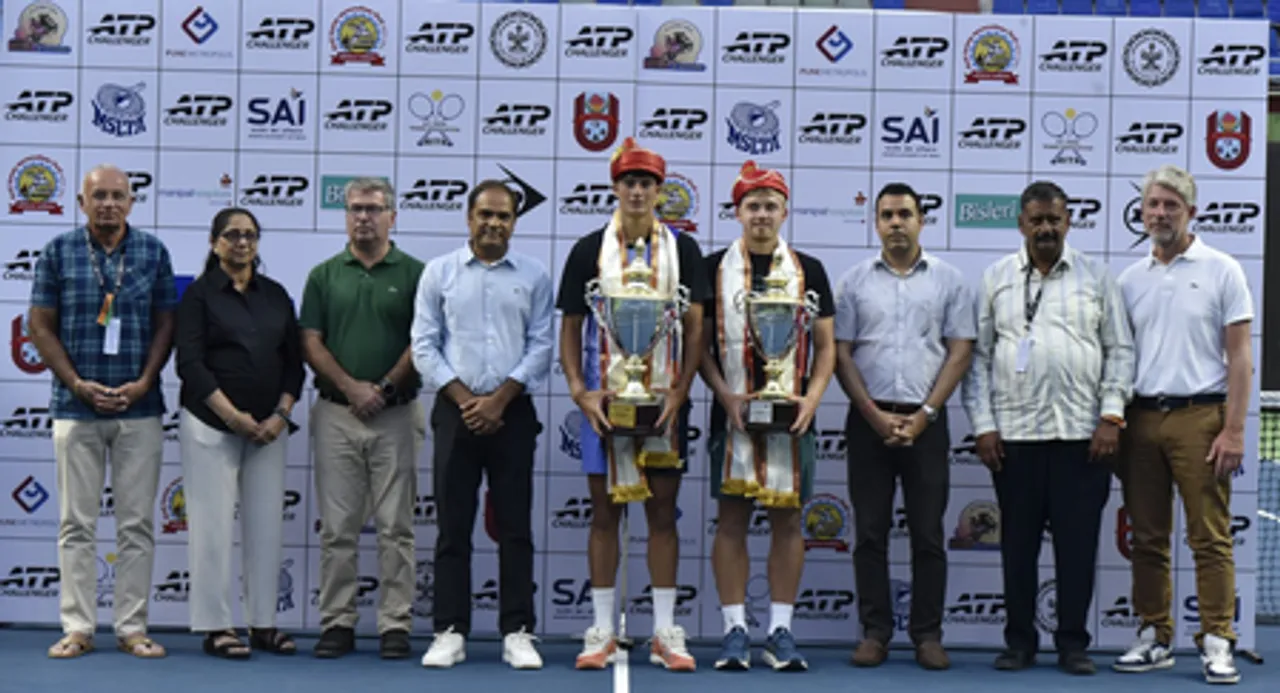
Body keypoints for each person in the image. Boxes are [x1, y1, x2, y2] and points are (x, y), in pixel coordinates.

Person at [962, 181, 1134, 675]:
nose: (1045, 228)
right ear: (1021, 224)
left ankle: (1073, 643)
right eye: (1036, 220)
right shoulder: (996, 278)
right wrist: (983, 426)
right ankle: (1019, 642)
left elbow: (1120, 351)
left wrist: (1111, 416)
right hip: (1014, 438)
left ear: (1067, 223)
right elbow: (978, 360)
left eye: (1054, 220)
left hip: (1083, 437)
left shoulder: (1097, 278)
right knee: (1016, 549)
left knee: (1077, 549)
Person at [556, 137, 709, 671]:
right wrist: (579, 390)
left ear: (660, 191)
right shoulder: (586, 250)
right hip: (604, 404)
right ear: (615, 188)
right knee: (605, 513)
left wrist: (681, 388)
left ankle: (665, 628)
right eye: (629, 183)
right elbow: (570, 328)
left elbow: (696, 329)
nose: (638, 191)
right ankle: (601, 628)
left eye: (647, 184)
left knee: (662, 512)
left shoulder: (683, 251)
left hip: (664, 402)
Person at [28, 164, 177, 659]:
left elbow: (165, 325)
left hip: (140, 408)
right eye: (100, 196)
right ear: (81, 202)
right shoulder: (57, 252)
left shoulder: (153, 252)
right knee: (76, 523)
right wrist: (75, 383)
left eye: (118, 196)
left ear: (132, 202)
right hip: (74, 406)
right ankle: (78, 626)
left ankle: (133, 627)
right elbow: (40, 326)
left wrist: (144, 382)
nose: (109, 204)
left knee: (136, 523)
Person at [1112, 165, 1253, 685]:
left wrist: (1233, 430)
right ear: (1143, 212)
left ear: (1191, 212)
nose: (1161, 214)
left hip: (1202, 417)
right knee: (1147, 538)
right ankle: (1155, 636)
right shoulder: (1128, 280)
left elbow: (1240, 358)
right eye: (1153, 204)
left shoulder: (1223, 269)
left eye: (1172, 205)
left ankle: (1217, 641)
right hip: (1141, 420)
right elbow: (1118, 358)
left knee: (1209, 537)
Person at [412, 181, 554, 669]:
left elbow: (541, 345)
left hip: (512, 412)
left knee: (514, 526)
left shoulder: (534, 275)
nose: (494, 224)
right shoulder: (439, 273)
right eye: (485, 215)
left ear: (515, 221)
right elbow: (424, 345)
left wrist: (499, 400)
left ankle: (517, 631)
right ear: (468, 218)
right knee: (453, 527)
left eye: (504, 217)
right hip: (456, 411)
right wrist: (468, 400)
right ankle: (450, 630)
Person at [833, 182, 975, 670]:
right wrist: (873, 415)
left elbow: (960, 351)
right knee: (870, 532)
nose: (896, 223)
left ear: (921, 221)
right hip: (867, 419)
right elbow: (842, 353)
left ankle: (927, 634)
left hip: (926, 420)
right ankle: (875, 632)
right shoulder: (853, 282)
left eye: (905, 214)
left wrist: (925, 415)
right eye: (888, 215)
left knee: (928, 533)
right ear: (876, 223)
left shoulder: (949, 281)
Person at [700, 161, 836, 672]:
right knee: (732, 519)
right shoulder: (713, 268)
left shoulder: (810, 270)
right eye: (752, 205)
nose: (761, 214)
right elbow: (701, 348)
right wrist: (726, 396)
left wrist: (812, 398)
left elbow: (825, 348)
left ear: (784, 212)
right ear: (738, 212)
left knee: (787, 519)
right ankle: (735, 629)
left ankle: (781, 629)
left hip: (791, 415)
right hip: (731, 415)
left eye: (770, 205)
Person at [299, 178, 427, 660]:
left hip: (396, 413)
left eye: (374, 209)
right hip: (336, 413)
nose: (363, 217)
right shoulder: (324, 275)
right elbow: (310, 341)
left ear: (393, 216)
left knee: (397, 526)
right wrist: (353, 388)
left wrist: (386, 387)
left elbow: (424, 340)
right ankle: (338, 622)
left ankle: (395, 623)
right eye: (355, 209)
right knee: (337, 528)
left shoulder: (416, 274)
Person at [175, 207, 305, 659]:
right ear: (215, 243)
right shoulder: (198, 296)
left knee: (267, 527)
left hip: (269, 429)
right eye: (232, 235)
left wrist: (280, 415)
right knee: (210, 529)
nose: (242, 243)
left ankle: (264, 623)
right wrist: (233, 417)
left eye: (250, 235)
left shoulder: (275, 295)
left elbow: (294, 362)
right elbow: (189, 364)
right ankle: (216, 626)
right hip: (211, 425)